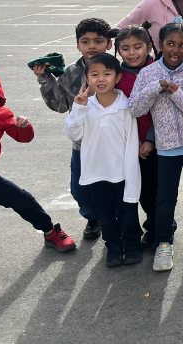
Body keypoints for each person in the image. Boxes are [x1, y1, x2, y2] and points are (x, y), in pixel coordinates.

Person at [0, 65, 77, 255]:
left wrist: (23, 126)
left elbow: (24, 138)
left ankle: (50, 232)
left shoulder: (1, 114)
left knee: (23, 200)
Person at [130, 22, 183, 272]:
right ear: (159, 45)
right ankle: (164, 243)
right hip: (166, 149)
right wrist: (157, 87)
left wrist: (176, 93)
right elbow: (135, 109)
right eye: (170, 44)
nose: (176, 49)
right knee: (165, 198)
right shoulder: (147, 74)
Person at [32, 17, 116, 240]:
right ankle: (92, 218)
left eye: (98, 41)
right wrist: (45, 78)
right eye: (85, 41)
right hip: (83, 144)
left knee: (114, 184)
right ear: (77, 45)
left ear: (109, 44)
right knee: (81, 188)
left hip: (114, 142)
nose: (91, 46)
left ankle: (116, 220)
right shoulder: (70, 72)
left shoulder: (117, 69)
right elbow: (59, 104)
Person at [65, 53, 142, 267]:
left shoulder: (126, 106)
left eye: (107, 74)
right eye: (94, 74)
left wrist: (131, 174)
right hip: (96, 173)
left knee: (128, 212)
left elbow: (132, 143)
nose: (101, 79)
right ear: (87, 79)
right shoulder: (84, 105)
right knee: (105, 214)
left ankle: (133, 245)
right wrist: (79, 108)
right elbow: (73, 134)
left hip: (122, 173)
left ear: (117, 78)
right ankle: (114, 248)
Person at [114, 22, 161, 249]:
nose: (132, 53)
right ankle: (152, 225)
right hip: (130, 143)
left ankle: (161, 227)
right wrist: (134, 141)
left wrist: (150, 139)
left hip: (160, 142)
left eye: (137, 46)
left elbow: (159, 108)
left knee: (159, 188)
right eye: (125, 48)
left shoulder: (158, 70)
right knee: (140, 190)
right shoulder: (116, 76)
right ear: (117, 50)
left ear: (150, 47)